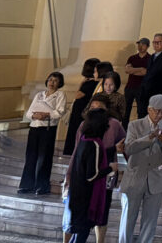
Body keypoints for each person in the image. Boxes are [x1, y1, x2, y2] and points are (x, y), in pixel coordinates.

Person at [66, 94, 126, 243]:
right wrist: (110, 167)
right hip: (88, 191)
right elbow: (91, 175)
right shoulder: (94, 143)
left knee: (82, 230)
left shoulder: (88, 139)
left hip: (82, 189)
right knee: (82, 230)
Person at [119, 94, 162, 243]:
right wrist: (150, 137)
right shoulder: (135, 125)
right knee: (128, 218)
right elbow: (129, 148)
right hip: (135, 178)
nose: (160, 115)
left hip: (156, 179)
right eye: (157, 111)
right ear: (149, 109)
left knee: (150, 221)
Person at [19, 71, 67, 196]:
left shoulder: (60, 95)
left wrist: (46, 115)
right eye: (50, 80)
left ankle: (42, 186)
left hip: (48, 129)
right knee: (31, 157)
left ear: (60, 83)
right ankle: (26, 185)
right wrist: (35, 115)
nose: (52, 82)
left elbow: (60, 112)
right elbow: (29, 112)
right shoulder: (39, 95)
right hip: (34, 127)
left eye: (55, 81)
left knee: (44, 158)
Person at [64, 57, 100, 156]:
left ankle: (72, 150)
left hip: (81, 109)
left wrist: (82, 83)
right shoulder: (94, 82)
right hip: (82, 109)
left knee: (76, 130)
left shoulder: (90, 83)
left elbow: (78, 95)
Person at [137, 33, 162, 119]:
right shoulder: (152, 56)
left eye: (158, 42)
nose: (156, 44)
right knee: (142, 118)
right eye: (154, 42)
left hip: (156, 93)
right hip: (145, 93)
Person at [123, 39, 151, 126]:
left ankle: (140, 129)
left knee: (141, 110)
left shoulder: (150, 58)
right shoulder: (132, 58)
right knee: (126, 110)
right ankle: (124, 129)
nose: (140, 46)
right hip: (130, 86)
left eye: (143, 44)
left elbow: (145, 72)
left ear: (147, 46)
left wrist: (133, 70)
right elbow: (127, 70)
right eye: (139, 44)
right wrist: (140, 69)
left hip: (141, 88)